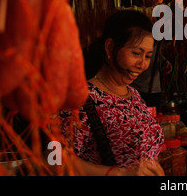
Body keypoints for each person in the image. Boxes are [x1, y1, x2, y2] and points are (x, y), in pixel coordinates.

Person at [60, 10, 164, 176]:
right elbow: (54, 160)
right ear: (110, 47)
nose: (142, 64)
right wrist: (120, 174)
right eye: (136, 53)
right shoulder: (80, 99)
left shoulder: (135, 96)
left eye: (148, 56)